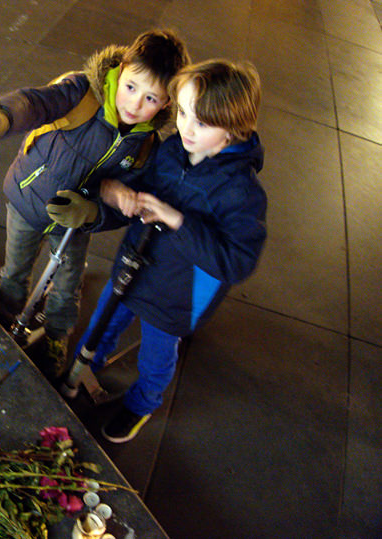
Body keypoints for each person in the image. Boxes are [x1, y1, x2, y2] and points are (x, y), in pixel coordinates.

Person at [0, 29, 189, 378]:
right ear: (121, 68)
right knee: (15, 270)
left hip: (74, 222)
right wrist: (4, 116)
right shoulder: (82, 92)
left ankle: (56, 336)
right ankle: (7, 317)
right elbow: (36, 102)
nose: (134, 105)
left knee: (67, 285)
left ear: (167, 104)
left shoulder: (145, 147)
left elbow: (124, 206)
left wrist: (93, 213)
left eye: (151, 99)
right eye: (131, 87)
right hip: (28, 200)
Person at [72, 59, 267, 443]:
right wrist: (117, 191)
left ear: (235, 128)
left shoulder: (242, 193)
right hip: (134, 265)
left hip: (176, 295)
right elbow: (144, 181)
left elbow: (236, 262)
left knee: (156, 357)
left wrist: (178, 221)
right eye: (183, 112)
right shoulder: (175, 148)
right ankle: (81, 366)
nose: (186, 128)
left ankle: (142, 403)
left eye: (202, 123)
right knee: (103, 319)